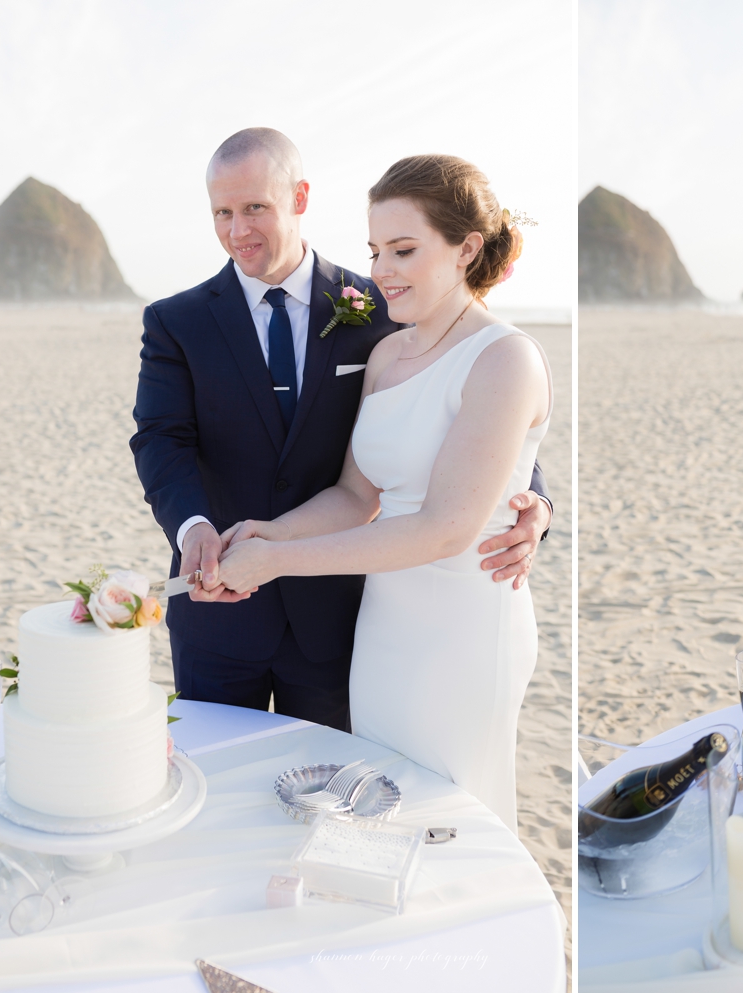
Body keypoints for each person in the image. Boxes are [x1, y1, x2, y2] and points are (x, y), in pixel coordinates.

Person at [132, 130, 551, 738]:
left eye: (255, 208)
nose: (237, 229)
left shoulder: (387, 306)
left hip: (346, 614)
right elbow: (159, 439)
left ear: (299, 197)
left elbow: (479, 419)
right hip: (220, 614)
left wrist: (533, 500)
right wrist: (196, 528)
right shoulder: (176, 321)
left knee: (342, 800)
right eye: (222, 212)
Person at [208, 154, 554, 833]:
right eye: (374, 250)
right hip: (385, 627)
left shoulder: (504, 358)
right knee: (380, 810)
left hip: (462, 625)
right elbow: (353, 495)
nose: (382, 269)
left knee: (450, 821)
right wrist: (267, 533)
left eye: (403, 249)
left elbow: (443, 529)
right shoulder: (389, 354)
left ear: (466, 249)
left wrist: (277, 564)